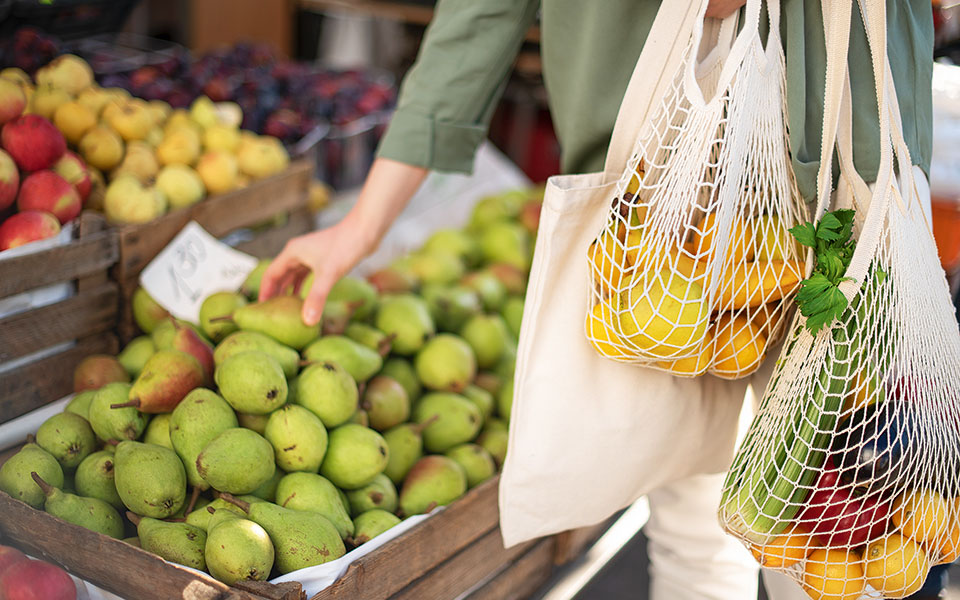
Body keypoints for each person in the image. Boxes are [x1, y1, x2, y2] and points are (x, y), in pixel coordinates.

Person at [260, 1, 936, 598]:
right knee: (695, 518)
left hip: (847, 162)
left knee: (834, 534)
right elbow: (479, 16)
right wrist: (362, 224)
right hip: (661, 188)